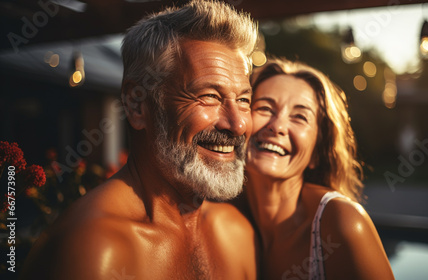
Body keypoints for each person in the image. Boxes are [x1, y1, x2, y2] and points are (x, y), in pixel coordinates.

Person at [20, 1, 258, 279]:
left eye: (243, 100)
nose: (238, 123)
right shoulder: (95, 248)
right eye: (209, 96)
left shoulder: (236, 232)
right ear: (136, 105)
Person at [238, 58, 394, 279]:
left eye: (300, 117)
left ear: (318, 152)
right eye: (264, 108)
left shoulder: (343, 223)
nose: (278, 126)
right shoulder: (220, 217)